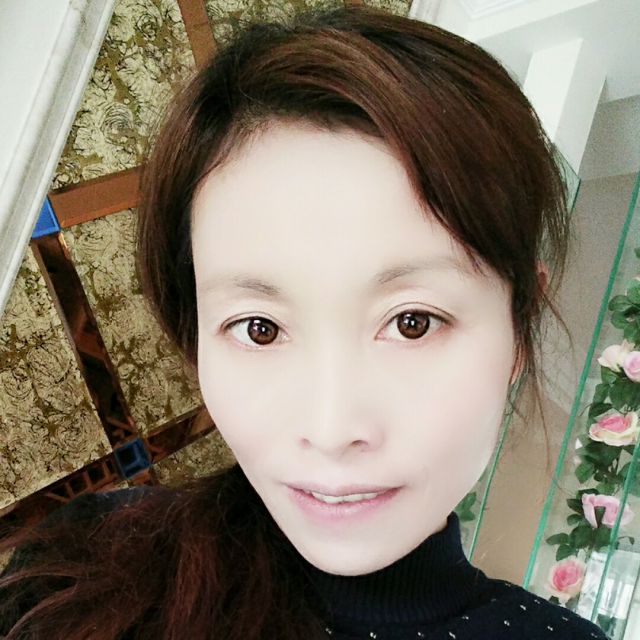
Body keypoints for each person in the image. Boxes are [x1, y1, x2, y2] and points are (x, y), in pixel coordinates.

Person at [0, 5, 609, 639]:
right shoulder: (77, 575)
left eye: (413, 323)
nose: (331, 430)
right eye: (259, 328)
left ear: (520, 327)